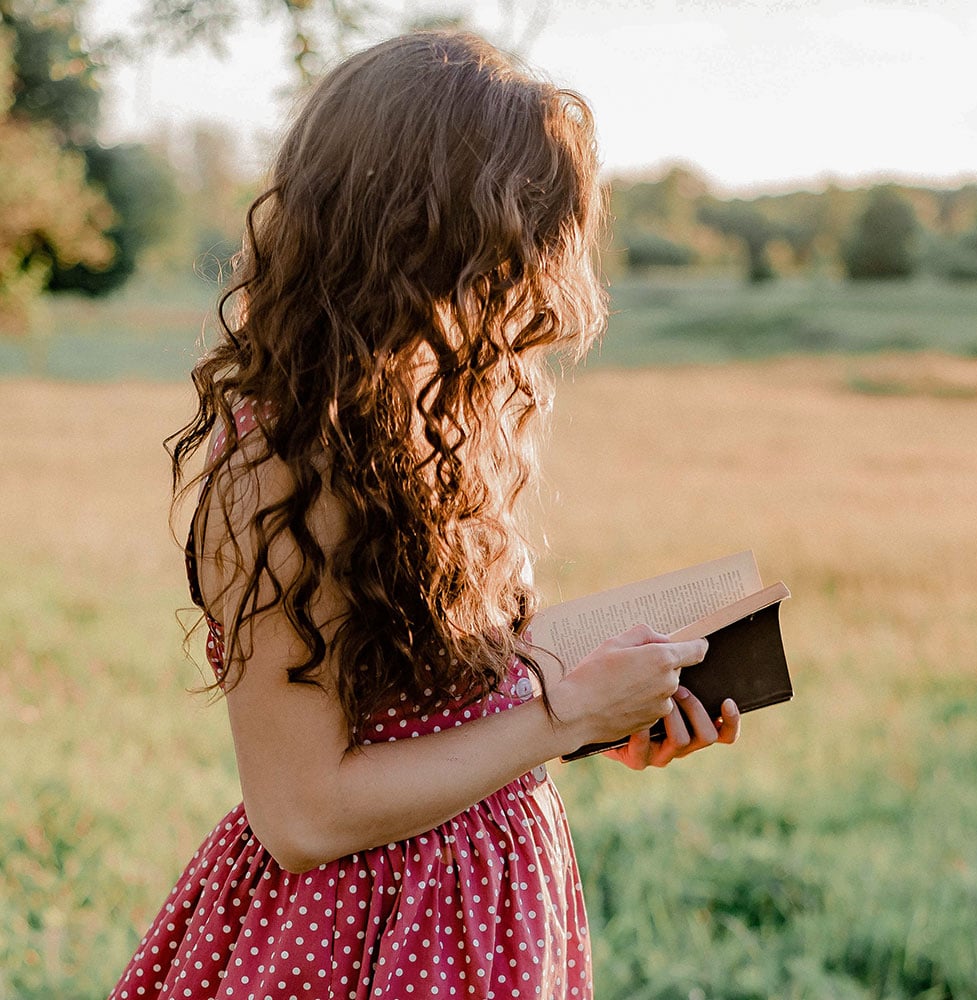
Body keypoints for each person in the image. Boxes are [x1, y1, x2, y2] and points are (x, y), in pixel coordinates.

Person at [109, 29, 740, 1000]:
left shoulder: (442, 420)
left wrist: (607, 711)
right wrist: (557, 715)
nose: (533, 270)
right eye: (518, 233)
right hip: (357, 932)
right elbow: (303, 814)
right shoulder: (280, 465)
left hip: (481, 904)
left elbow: (437, 698)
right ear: (423, 231)